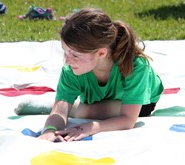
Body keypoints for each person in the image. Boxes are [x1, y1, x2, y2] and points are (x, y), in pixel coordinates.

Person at [38, 8, 164, 142]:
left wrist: (90, 127)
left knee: (90, 113)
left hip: (141, 104)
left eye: (75, 55)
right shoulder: (72, 69)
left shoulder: (136, 66)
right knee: (74, 108)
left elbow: (128, 120)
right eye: (65, 52)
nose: (67, 60)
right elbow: (59, 112)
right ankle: (64, 105)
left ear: (101, 53)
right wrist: (50, 130)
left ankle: (55, 106)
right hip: (98, 98)